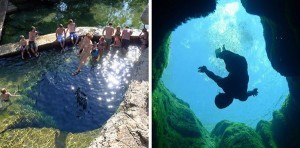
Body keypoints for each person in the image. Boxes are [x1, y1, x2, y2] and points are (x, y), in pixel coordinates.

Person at [198, 45, 258, 109]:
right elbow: (213, 76)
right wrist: (205, 70)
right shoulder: (224, 85)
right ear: (221, 94)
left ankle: (221, 53)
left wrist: (253, 92)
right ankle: (220, 53)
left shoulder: (241, 96)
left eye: (227, 105)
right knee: (227, 61)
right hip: (238, 64)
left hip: (242, 63)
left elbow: (248, 93)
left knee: (228, 61)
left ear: (229, 103)